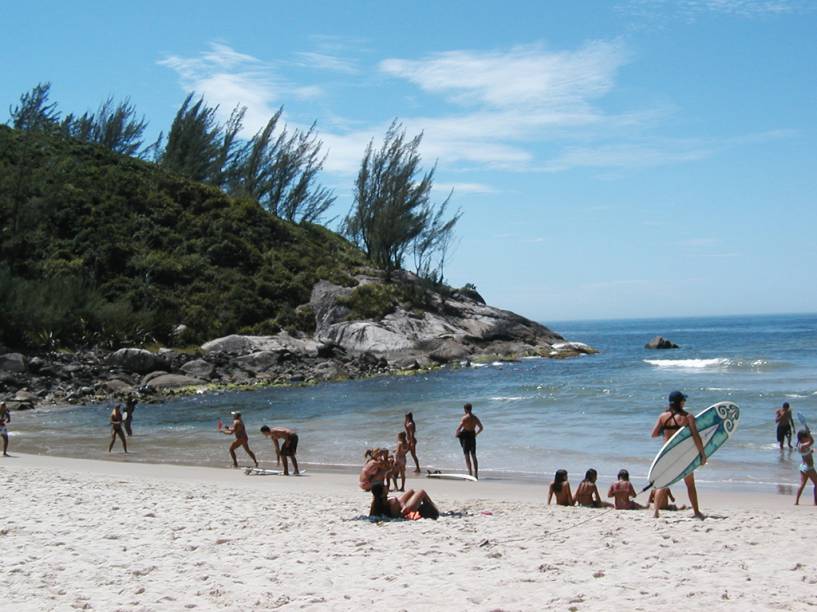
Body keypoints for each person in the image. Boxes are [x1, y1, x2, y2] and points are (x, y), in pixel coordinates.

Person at [651, 390, 706, 519]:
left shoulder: (663, 416)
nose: (684, 402)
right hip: (682, 456)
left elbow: (653, 434)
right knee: (690, 484)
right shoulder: (688, 417)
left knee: (663, 483)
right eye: (683, 400)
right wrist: (702, 454)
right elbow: (695, 436)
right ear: (680, 402)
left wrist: (665, 432)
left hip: (667, 454)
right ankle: (696, 512)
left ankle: (656, 512)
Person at [369, 483, 440, 520]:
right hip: (406, 512)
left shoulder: (377, 502)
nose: (386, 486)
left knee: (411, 491)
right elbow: (398, 515)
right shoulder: (391, 501)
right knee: (421, 492)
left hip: (400, 508)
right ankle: (433, 509)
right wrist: (403, 507)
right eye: (384, 486)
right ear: (383, 492)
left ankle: (428, 507)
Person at [455, 403, 484, 479]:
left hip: (465, 437)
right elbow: (481, 428)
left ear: (466, 409)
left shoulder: (464, 418)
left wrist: (457, 434)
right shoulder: (475, 418)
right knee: (474, 455)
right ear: (471, 409)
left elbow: (458, 429)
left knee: (467, 455)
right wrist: (476, 434)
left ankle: (470, 474)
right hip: (472, 435)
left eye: (464, 409)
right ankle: (476, 474)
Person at [794, 429, 817, 505]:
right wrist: (809, 434)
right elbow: (812, 441)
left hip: (803, 467)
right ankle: (815, 502)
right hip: (809, 468)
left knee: (802, 484)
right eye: (806, 436)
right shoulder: (803, 445)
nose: (808, 438)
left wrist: (811, 451)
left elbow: (806, 453)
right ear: (802, 438)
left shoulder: (801, 445)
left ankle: (796, 501)